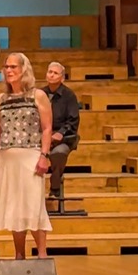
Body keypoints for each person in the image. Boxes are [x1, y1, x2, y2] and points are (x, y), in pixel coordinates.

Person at [0, 53, 54, 259]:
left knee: (32, 205)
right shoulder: (1, 99)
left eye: (13, 67)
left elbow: (47, 127)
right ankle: (19, 255)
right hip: (7, 157)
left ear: (24, 69)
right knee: (14, 207)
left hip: (30, 155)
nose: (9, 71)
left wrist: (44, 155)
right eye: (6, 67)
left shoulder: (38, 95)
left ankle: (42, 254)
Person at [43, 61, 80, 200]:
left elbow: (73, 120)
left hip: (62, 138)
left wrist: (61, 133)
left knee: (59, 154)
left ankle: (55, 185)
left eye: (55, 73)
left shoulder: (69, 95)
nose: (51, 75)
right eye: (49, 72)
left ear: (62, 78)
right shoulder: (40, 93)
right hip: (41, 137)